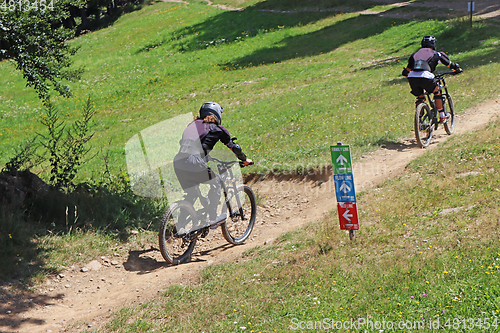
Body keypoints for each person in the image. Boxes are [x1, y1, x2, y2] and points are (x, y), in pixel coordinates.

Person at [173, 102, 252, 230]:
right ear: (217, 115)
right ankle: (212, 218)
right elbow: (234, 147)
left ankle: (179, 226)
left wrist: (203, 157)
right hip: (193, 161)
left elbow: (192, 145)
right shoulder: (218, 129)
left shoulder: (192, 125)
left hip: (178, 162)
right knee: (217, 181)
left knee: (191, 194)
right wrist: (244, 159)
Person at [402, 35, 461, 123]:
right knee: (437, 91)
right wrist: (456, 70)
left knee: (420, 97)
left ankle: (419, 120)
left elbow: (406, 72)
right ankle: (442, 116)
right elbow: (451, 65)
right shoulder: (436, 54)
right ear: (434, 44)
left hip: (412, 77)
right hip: (426, 76)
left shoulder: (415, 55)